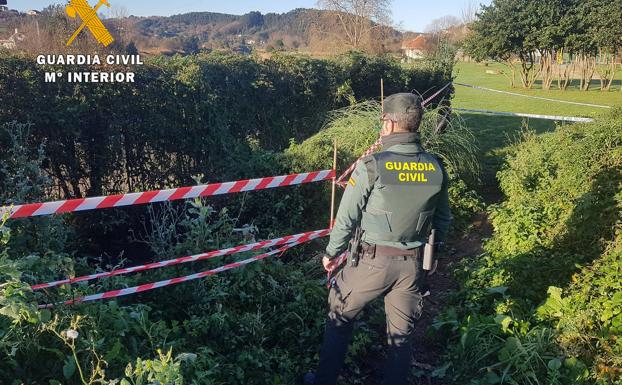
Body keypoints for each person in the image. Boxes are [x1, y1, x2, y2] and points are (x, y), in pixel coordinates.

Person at [306, 93, 452, 385]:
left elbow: (347, 216)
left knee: (339, 314)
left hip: (371, 263)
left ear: (389, 123)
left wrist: (332, 253)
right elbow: (443, 219)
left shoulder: (372, 165)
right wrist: (433, 256)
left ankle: (323, 380)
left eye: (382, 120)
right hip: (412, 267)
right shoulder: (436, 166)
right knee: (401, 339)